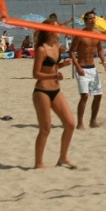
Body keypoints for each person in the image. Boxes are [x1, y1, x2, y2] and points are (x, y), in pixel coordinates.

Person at [32, 17, 77, 169]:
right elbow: (36, 73)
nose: (60, 29)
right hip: (42, 91)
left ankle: (63, 158)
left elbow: (53, 67)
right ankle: (39, 163)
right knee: (45, 129)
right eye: (57, 27)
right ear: (50, 31)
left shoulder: (57, 47)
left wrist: (62, 65)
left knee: (70, 124)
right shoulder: (41, 49)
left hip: (55, 90)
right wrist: (54, 75)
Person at [69, 11, 106, 129]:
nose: (93, 20)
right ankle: (80, 123)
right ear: (85, 21)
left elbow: (100, 49)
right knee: (84, 96)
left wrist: (104, 61)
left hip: (92, 68)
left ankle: (93, 121)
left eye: (94, 18)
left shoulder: (97, 34)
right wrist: (77, 67)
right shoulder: (80, 34)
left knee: (98, 95)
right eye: (90, 19)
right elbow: (71, 52)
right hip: (82, 67)